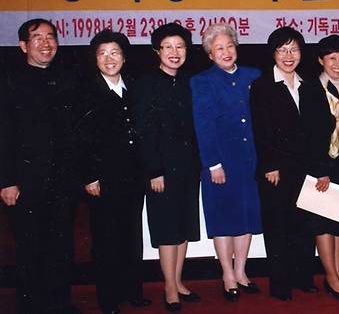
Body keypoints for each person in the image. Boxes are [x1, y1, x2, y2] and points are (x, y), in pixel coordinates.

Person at [0, 18, 82, 314]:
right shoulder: (10, 82)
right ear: (23, 46)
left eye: (51, 37)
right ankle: (31, 306)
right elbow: (4, 134)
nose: (46, 43)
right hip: (26, 181)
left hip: (63, 180)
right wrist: (6, 180)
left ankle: (60, 304)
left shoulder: (67, 78)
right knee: (30, 247)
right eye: (38, 38)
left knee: (61, 246)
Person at [79, 30, 151, 314]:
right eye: (103, 54)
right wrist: (89, 176)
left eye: (115, 53)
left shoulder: (134, 86)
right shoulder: (87, 91)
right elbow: (81, 138)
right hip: (104, 178)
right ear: (95, 59)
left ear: (124, 56)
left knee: (131, 235)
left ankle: (132, 291)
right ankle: (108, 299)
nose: (109, 59)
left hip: (133, 176)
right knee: (106, 239)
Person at [190, 23, 262, 302]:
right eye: (218, 48)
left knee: (246, 217)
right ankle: (227, 274)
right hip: (221, 162)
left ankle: (241, 272)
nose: (226, 52)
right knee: (223, 218)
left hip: (250, 160)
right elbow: (203, 125)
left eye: (229, 46)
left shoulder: (253, 75)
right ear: (210, 54)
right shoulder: (201, 81)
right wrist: (213, 163)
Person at [134, 23, 201, 313]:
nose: (175, 52)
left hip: (189, 167)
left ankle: (178, 280)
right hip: (161, 169)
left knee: (184, 226)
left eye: (180, 46)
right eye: (168, 47)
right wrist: (154, 170)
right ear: (157, 51)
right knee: (167, 228)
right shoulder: (146, 84)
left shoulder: (190, 82)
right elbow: (144, 131)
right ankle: (169, 286)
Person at [250, 26, 316, 301]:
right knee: (278, 226)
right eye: (283, 50)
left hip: (304, 168)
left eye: (294, 50)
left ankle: (303, 277)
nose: (289, 56)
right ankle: (280, 284)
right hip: (276, 169)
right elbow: (260, 129)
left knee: (303, 224)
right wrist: (269, 165)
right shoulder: (262, 85)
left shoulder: (308, 84)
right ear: (273, 54)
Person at [301, 35, 339, 302]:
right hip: (325, 162)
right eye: (331, 58)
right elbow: (310, 134)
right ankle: (330, 276)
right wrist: (319, 169)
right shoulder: (312, 89)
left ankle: (338, 272)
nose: (338, 64)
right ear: (320, 60)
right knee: (324, 220)